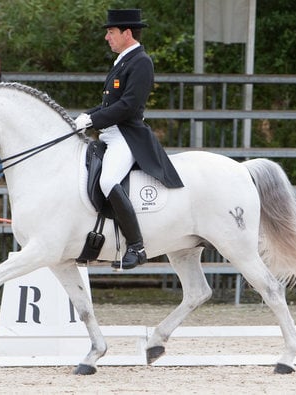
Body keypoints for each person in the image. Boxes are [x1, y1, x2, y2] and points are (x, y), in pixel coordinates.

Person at [74, 9, 184, 270]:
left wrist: (92, 121)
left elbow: (128, 106)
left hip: (126, 135)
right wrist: (85, 115)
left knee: (109, 179)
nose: (106, 38)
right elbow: (109, 103)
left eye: (110, 32)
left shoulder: (141, 61)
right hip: (110, 134)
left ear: (127, 33)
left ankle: (136, 246)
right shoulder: (122, 61)